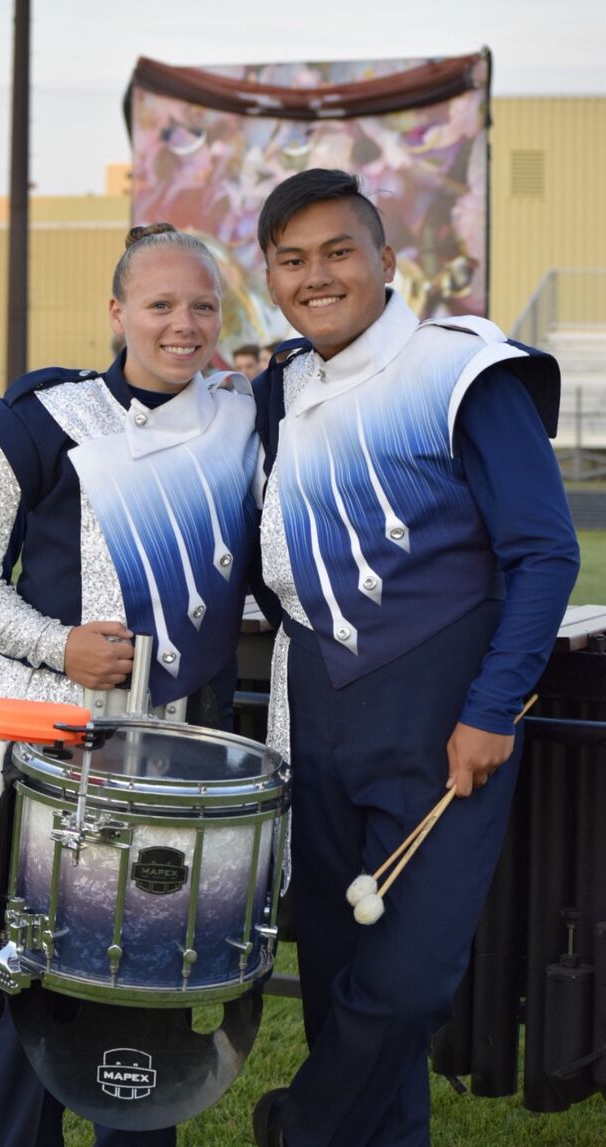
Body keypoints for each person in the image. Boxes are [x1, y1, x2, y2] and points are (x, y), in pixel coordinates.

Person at [250, 169, 580, 1147]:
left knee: (410, 977)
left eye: (339, 251)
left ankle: (296, 1127)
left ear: (388, 261)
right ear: (271, 276)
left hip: (442, 707)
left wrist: (489, 709)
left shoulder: (462, 365)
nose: (318, 276)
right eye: (292, 260)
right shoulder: (282, 383)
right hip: (317, 699)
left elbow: (544, 550)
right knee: (334, 970)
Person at [0, 222, 261, 1147]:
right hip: (48, 743)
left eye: (203, 304)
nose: (184, 323)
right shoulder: (47, 418)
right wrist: (59, 644)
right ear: (118, 311)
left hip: (176, 755)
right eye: (160, 304)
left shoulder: (241, 420)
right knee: (35, 988)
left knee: (152, 991)